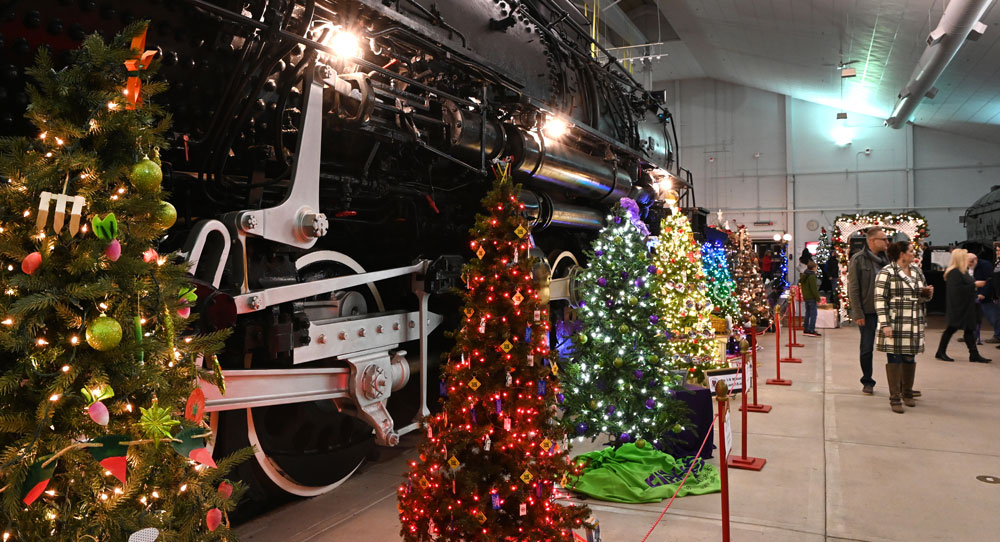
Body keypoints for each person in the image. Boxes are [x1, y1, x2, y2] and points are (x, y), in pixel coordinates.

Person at [874, 241, 933, 413]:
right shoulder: (887, 273)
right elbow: (879, 300)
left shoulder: (916, 271)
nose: (913, 253)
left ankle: (907, 392)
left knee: (909, 357)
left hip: (913, 321)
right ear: (901, 254)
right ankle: (895, 397)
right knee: (894, 358)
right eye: (910, 251)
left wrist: (926, 293)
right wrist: (885, 324)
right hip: (895, 321)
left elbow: (921, 295)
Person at [847, 227, 890, 395]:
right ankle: (867, 381)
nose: (887, 242)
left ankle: (897, 382)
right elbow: (854, 288)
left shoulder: (888, 259)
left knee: (892, 347)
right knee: (866, 347)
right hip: (868, 311)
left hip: (887, 310)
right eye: (884, 239)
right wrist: (858, 313)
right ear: (871, 241)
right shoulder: (858, 260)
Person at [934, 249, 991, 363]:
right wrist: (975, 284)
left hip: (967, 306)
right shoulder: (954, 272)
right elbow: (957, 290)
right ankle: (941, 352)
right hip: (958, 307)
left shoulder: (963, 271)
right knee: (951, 329)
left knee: (969, 330)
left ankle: (974, 354)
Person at [800, 260, 820, 336]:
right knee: (813, 314)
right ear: (813, 268)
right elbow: (814, 289)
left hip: (806, 297)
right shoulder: (811, 276)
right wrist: (817, 298)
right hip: (811, 297)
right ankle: (811, 329)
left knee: (807, 313)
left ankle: (806, 328)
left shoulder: (804, 275)